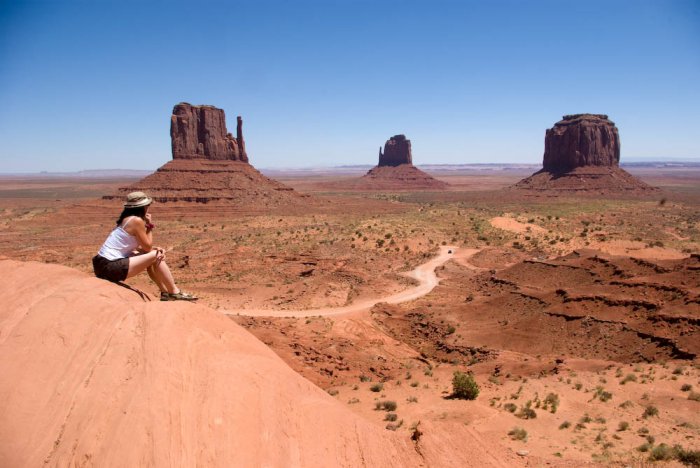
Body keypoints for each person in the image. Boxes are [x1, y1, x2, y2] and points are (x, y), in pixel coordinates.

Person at [92, 191, 197, 301]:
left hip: (101, 265)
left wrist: (151, 249)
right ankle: (174, 292)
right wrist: (149, 226)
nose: (149, 207)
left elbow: (137, 247)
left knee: (151, 255)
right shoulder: (136, 221)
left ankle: (164, 292)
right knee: (156, 255)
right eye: (148, 205)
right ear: (142, 207)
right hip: (110, 267)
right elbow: (147, 247)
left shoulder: (126, 220)